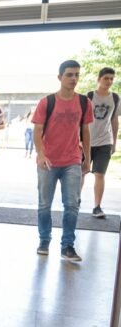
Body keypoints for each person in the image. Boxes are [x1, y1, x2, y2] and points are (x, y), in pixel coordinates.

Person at [32, 60, 93, 261]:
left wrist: (87, 159)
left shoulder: (84, 103)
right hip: (48, 162)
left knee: (72, 204)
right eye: (69, 75)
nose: (73, 78)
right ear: (60, 77)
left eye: (76, 74)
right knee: (44, 205)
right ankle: (44, 240)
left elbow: (85, 131)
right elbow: (38, 131)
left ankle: (67, 246)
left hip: (72, 161)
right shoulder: (47, 102)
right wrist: (41, 155)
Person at [86, 67, 119, 219]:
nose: (109, 81)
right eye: (106, 78)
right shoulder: (89, 96)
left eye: (111, 78)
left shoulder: (115, 98)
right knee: (81, 172)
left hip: (105, 141)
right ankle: (75, 202)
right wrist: (79, 140)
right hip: (87, 141)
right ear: (99, 79)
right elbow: (81, 120)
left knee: (100, 174)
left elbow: (114, 120)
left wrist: (114, 143)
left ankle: (97, 207)